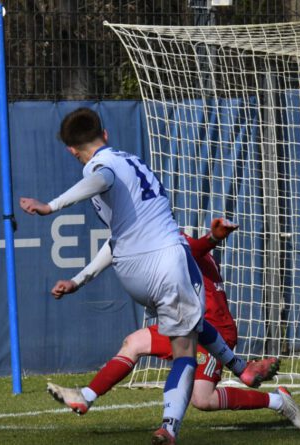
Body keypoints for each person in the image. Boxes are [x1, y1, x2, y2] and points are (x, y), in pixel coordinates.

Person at [19, 107, 277, 444]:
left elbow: (115, 236)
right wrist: (52, 206)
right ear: (106, 134)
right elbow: (101, 178)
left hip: (131, 271)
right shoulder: (121, 164)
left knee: (187, 325)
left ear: (71, 150)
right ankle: (170, 427)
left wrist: (78, 280)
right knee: (185, 350)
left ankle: (241, 368)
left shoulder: (101, 169)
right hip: (167, 263)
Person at [45, 218, 300, 431]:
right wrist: (76, 282)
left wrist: (213, 238)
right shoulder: (140, 239)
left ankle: (276, 400)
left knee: (202, 400)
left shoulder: (171, 238)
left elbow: (195, 248)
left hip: (212, 326)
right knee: (133, 343)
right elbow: (113, 251)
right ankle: (86, 397)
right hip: (181, 322)